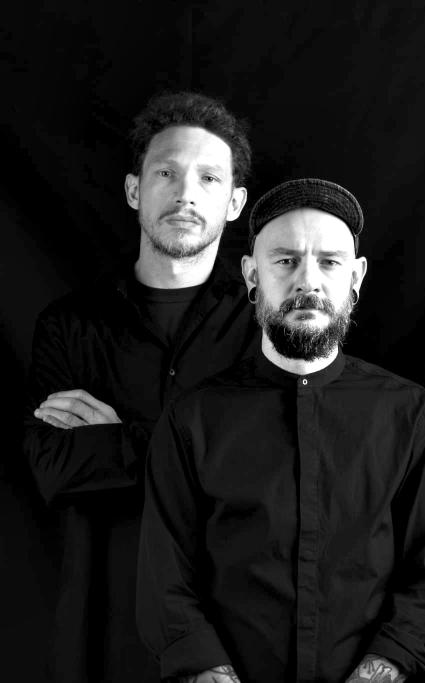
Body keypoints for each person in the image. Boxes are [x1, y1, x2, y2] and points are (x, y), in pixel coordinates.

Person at [136, 178, 425, 683]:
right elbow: (166, 579)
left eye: (329, 262)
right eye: (286, 261)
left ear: (355, 277)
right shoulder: (192, 419)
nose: (308, 282)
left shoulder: (410, 414)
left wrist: (378, 673)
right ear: (252, 275)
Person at [22, 91, 258, 683]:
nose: (185, 194)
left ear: (234, 202)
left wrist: (117, 440)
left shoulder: (262, 328)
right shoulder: (70, 326)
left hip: (234, 642)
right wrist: (201, 451)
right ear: (134, 190)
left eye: (208, 178)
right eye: (166, 173)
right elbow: (52, 467)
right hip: (105, 632)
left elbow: (267, 471)